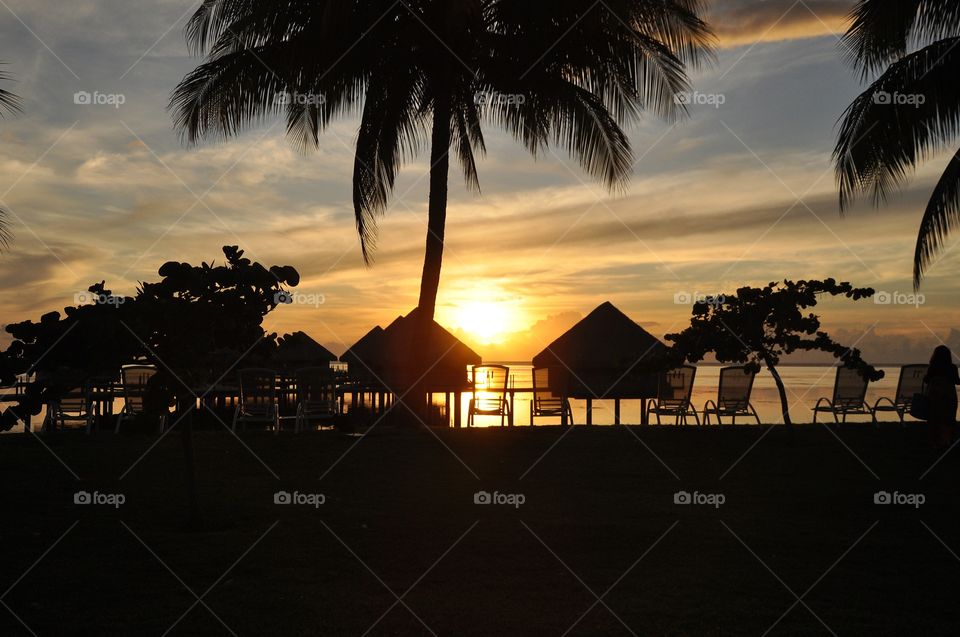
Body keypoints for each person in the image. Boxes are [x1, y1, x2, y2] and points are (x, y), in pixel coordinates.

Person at [924, 346, 959, 449]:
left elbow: (926, 380)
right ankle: (947, 439)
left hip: (935, 397)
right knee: (949, 418)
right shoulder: (952, 368)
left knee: (934, 418)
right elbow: (957, 381)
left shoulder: (933, 367)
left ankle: (935, 441)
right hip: (949, 396)